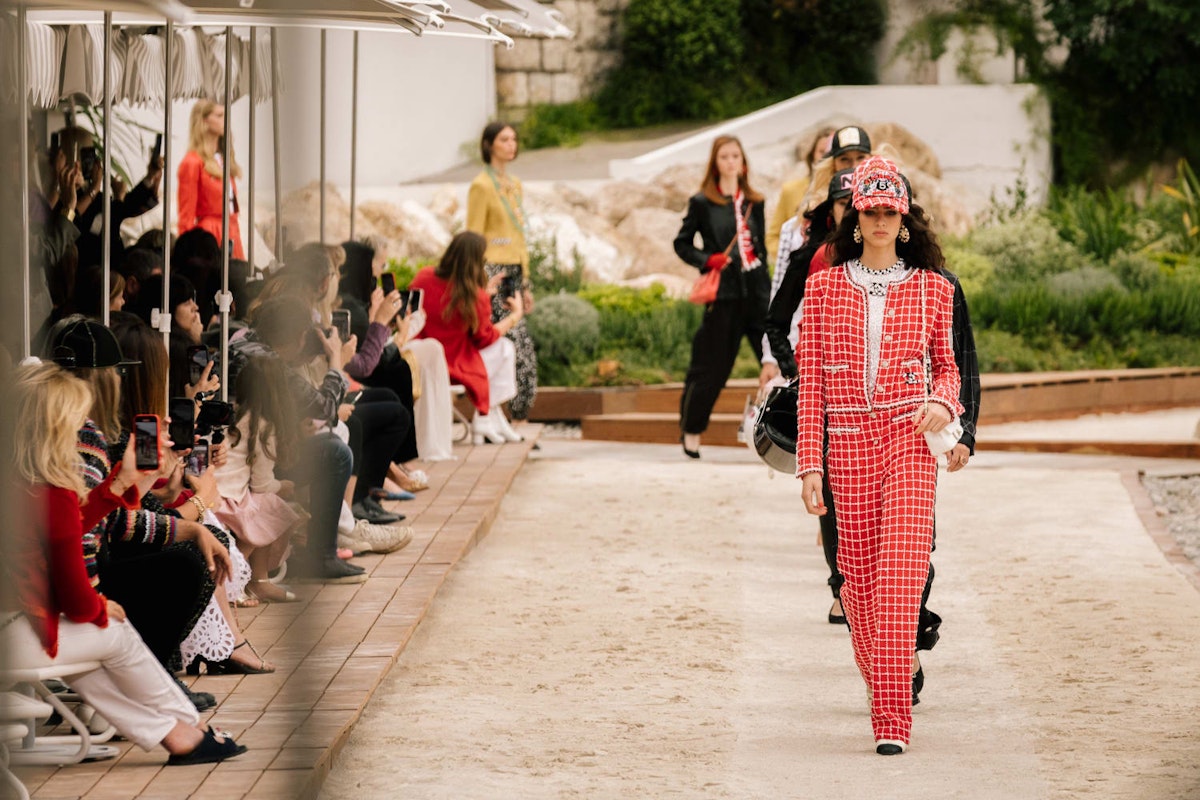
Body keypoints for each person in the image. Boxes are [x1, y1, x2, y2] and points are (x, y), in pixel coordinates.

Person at [795, 156, 963, 756]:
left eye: (892, 210)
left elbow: (949, 367)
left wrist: (944, 403)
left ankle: (891, 718)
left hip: (909, 442)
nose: (883, 220)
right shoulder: (821, 287)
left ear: (905, 217)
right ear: (857, 217)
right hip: (846, 445)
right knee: (858, 583)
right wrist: (809, 463)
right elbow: (810, 380)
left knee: (901, 576)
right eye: (872, 210)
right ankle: (885, 680)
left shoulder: (935, 289)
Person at [1, 361, 247, 766]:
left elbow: (72, 522)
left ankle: (179, 736)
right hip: (15, 634)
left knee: (90, 658)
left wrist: (120, 483)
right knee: (114, 633)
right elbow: (76, 591)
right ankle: (188, 728)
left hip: (14, 626)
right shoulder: (53, 492)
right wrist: (99, 609)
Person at [673, 135, 769, 459]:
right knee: (711, 365)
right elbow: (682, 243)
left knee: (777, 361)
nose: (731, 162)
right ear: (715, 162)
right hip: (723, 295)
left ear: (743, 163)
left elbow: (762, 250)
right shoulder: (702, 202)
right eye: (724, 156)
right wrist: (707, 259)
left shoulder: (756, 200)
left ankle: (788, 437)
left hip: (757, 292)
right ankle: (691, 432)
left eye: (736, 156)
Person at [341, 239, 456, 463]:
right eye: (379, 266)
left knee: (420, 356)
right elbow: (370, 363)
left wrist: (381, 321)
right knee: (403, 369)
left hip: (361, 373)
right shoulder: (352, 307)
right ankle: (394, 465)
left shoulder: (356, 302)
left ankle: (396, 464)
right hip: (359, 377)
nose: (380, 274)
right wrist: (392, 328)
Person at [410, 231, 524, 445]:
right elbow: (484, 338)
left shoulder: (423, 277)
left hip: (421, 357)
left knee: (504, 348)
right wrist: (515, 316)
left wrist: (483, 296)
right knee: (505, 348)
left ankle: (489, 418)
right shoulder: (473, 295)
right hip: (455, 365)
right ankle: (485, 417)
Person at [213, 356, 303, 604]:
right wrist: (285, 487)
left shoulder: (231, 415)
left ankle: (255, 581)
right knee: (269, 507)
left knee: (261, 506)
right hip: (227, 500)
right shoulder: (263, 426)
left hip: (214, 494)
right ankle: (237, 579)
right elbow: (263, 484)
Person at [465, 121, 537, 424]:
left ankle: (515, 417)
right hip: (492, 271)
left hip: (515, 271)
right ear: (489, 144)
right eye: (504, 139)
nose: (511, 144)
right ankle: (511, 415)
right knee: (513, 342)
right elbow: (473, 235)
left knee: (517, 343)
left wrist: (526, 281)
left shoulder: (514, 184)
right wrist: (478, 281)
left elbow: (519, 235)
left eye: (514, 139)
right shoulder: (482, 185)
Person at [177, 100, 244, 260]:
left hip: (232, 232)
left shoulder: (222, 159)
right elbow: (186, 218)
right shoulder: (192, 162)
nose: (225, 120)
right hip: (210, 236)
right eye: (220, 115)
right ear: (204, 121)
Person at [765, 126, 835, 264]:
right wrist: (789, 256)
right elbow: (773, 236)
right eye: (821, 151)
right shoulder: (790, 190)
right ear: (812, 155)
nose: (826, 156)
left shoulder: (848, 195)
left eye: (831, 151)